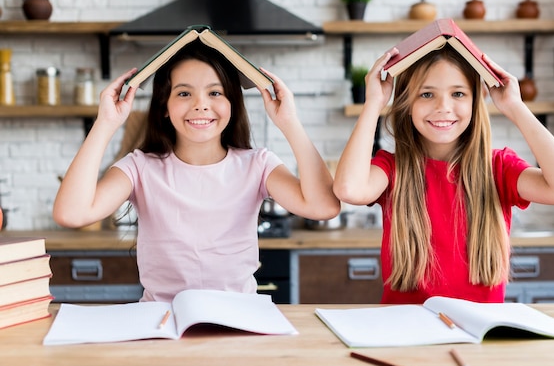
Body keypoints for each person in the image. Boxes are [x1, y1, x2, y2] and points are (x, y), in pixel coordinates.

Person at [53, 41, 340, 302]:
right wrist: (105, 123)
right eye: (184, 93)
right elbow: (71, 213)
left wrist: (289, 122)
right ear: (164, 106)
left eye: (215, 92)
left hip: (238, 318)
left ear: (232, 104)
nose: (200, 104)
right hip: (162, 322)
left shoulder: (258, 164)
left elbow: (324, 206)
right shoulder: (140, 167)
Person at [333, 44, 554, 304]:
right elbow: (348, 190)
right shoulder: (393, 168)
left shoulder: (499, 168)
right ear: (407, 103)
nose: (444, 107)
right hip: (406, 334)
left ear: (476, 101)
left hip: (480, 337)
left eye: (458, 93)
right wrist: (373, 104)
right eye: (426, 94)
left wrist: (515, 107)